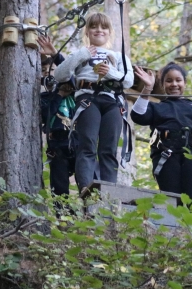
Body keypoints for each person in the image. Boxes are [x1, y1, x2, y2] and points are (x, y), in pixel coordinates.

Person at [53, 12, 134, 194]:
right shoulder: (81, 54)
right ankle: (85, 187)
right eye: (94, 27)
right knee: (87, 144)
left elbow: (128, 81)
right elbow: (59, 75)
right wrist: (81, 55)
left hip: (112, 101)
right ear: (87, 32)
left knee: (109, 148)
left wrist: (110, 72)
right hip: (88, 99)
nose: (99, 30)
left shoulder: (119, 57)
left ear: (110, 32)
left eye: (104, 27)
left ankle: (109, 192)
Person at [131, 63, 192, 203]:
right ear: (163, 84)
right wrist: (147, 88)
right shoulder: (157, 107)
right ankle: (172, 225)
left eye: (178, 80)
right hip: (167, 155)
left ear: (185, 82)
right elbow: (137, 116)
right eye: (169, 80)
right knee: (170, 198)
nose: (174, 84)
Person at [38, 35, 75, 196]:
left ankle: (91, 214)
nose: (48, 74)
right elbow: (47, 114)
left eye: (52, 70)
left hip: (77, 141)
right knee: (59, 187)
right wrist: (58, 94)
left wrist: (54, 55)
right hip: (57, 144)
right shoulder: (44, 98)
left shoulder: (74, 92)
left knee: (87, 182)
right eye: (44, 72)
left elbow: (70, 73)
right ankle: (63, 217)